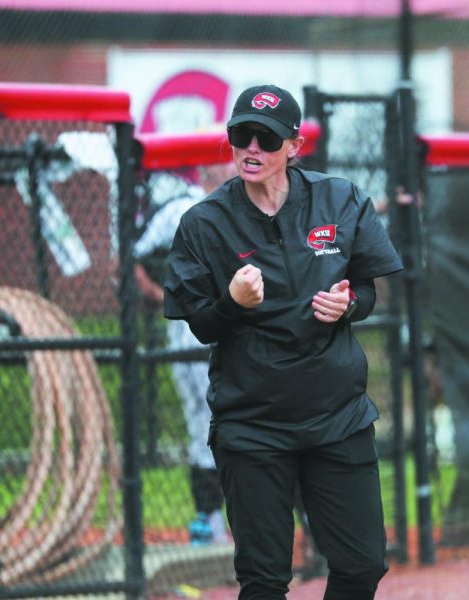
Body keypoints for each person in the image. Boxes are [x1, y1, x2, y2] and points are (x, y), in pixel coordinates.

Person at [163, 84, 403, 599]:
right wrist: (232, 302)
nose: (252, 149)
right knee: (265, 581)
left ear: (294, 145)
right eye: (240, 136)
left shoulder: (341, 199)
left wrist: (350, 304)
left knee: (362, 565)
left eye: (266, 138)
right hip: (253, 426)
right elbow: (202, 323)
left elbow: (367, 288)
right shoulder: (204, 223)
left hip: (337, 416)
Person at [133, 161, 238, 545]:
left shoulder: (247, 205)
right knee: (206, 426)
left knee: (237, 425)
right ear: (205, 170)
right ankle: (208, 520)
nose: (229, 167)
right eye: (221, 161)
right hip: (191, 341)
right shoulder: (180, 209)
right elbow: (133, 260)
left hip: (236, 338)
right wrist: (167, 298)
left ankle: (228, 518)